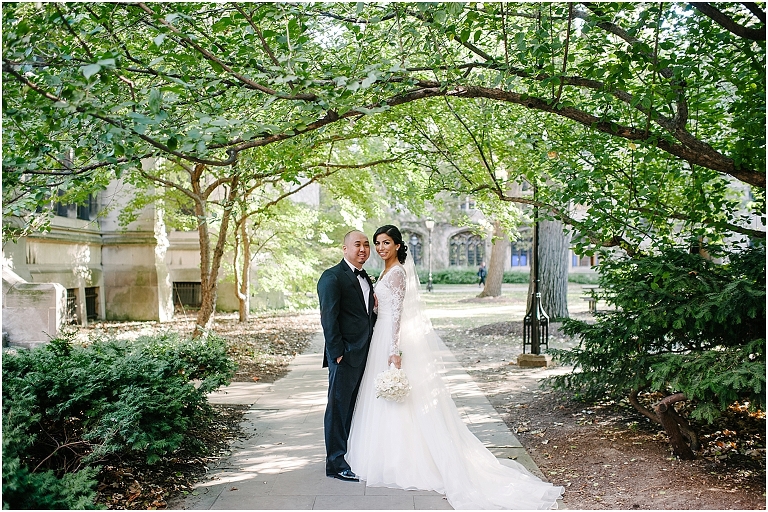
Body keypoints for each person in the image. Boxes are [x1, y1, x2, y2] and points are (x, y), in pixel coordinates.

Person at [346, 225, 564, 509]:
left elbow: (399, 316)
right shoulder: (386, 272)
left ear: (398, 245)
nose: (380, 248)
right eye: (377, 243)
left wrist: (394, 351)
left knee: (399, 399)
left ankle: (404, 460)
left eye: (386, 242)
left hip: (390, 340)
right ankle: (383, 455)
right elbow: (382, 309)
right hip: (380, 336)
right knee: (383, 399)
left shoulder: (398, 272)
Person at [317, 230, 376, 482]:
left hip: (366, 353)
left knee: (354, 407)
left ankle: (348, 454)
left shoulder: (366, 278)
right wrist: (338, 353)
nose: (362, 249)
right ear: (345, 249)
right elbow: (328, 318)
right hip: (345, 355)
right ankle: (335, 463)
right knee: (338, 409)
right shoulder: (332, 277)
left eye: (366, 245)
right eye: (357, 245)